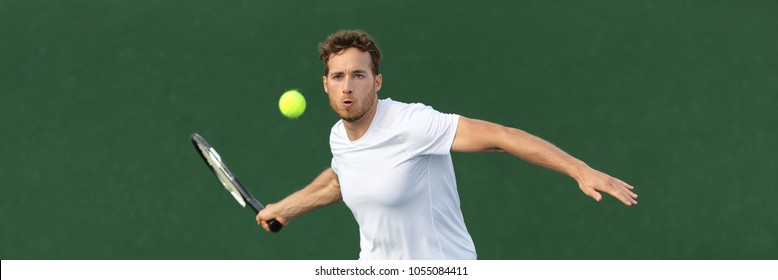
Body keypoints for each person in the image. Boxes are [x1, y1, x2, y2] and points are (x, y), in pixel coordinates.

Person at [256, 30, 638, 260]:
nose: (347, 86)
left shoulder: (413, 124)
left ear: (377, 81)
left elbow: (501, 137)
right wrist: (287, 209)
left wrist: (578, 169)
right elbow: (342, 179)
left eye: (358, 75)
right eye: (338, 76)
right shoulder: (340, 136)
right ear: (326, 85)